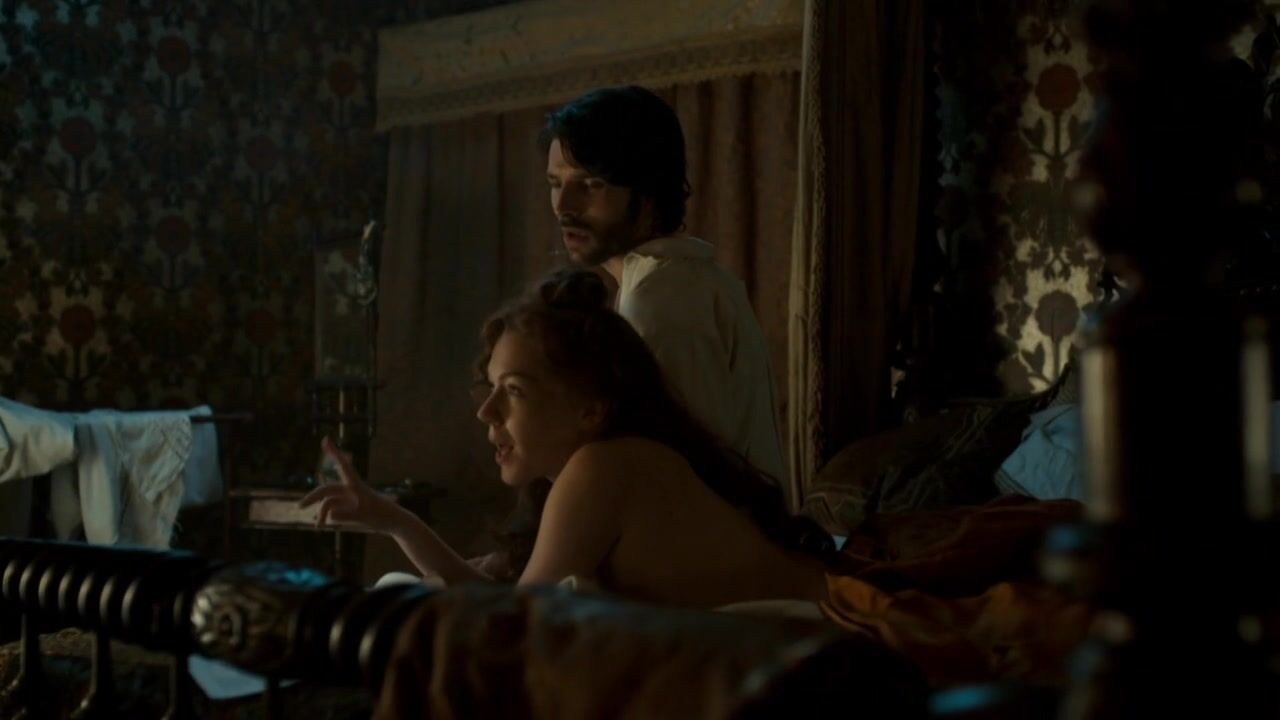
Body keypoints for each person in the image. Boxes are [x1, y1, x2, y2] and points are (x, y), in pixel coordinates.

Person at [301, 269, 829, 607]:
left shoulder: (606, 468)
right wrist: (396, 521)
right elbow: (512, 607)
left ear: (592, 409)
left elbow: (514, 627)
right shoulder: (599, 469)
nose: (487, 411)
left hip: (825, 643)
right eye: (490, 388)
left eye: (514, 390)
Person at [541, 86, 787, 491]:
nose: (564, 205)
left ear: (648, 193)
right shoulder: (680, 281)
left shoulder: (661, 299)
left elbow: (687, 476)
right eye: (555, 183)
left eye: (590, 184)